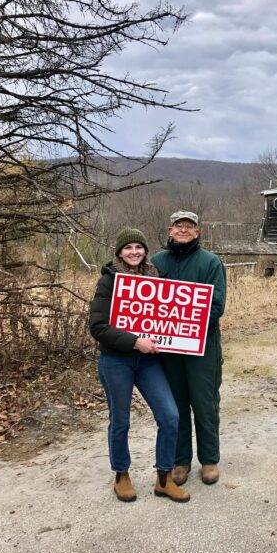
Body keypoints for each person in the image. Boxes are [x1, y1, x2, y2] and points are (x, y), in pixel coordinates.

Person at [89, 227, 190, 503]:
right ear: (120, 252)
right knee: (120, 420)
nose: (134, 252)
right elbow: (97, 327)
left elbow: (169, 318)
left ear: (145, 251)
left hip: (148, 362)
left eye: (139, 247)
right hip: (115, 361)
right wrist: (135, 342)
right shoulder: (109, 282)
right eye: (128, 248)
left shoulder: (156, 278)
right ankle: (121, 474)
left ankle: (164, 478)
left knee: (170, 416)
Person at [152, 211, 227, 487]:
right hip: (168, 349)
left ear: (197, 232)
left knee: (205, 403)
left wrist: (187, 326)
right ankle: (180, 461)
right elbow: (137, 293)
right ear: (170, 230)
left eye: (189, 226)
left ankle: (209, 460)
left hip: (203, 346)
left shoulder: (210, 262)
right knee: (176, 405)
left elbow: (216, 305)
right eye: (179, 225)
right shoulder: (157, 262)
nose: (184, 230)